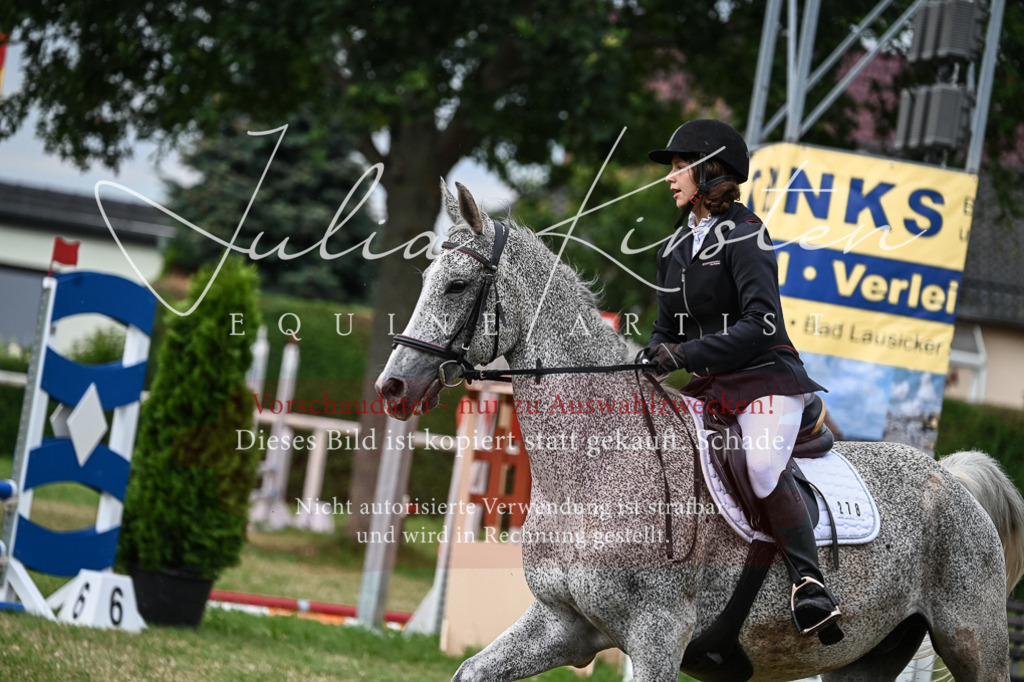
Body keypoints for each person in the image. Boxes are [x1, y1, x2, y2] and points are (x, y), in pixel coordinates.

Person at [642, 119, 843, 643]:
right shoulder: (672, 250)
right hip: (712, 385)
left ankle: (809, 583)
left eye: (680, 166)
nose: (670, 178)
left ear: (712, 172)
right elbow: (665, 331)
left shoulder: (747, 234)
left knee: (759, 465)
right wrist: (646, 359)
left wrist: (683, 353)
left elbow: (761, 323)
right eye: (671, 168)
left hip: (765, 378)